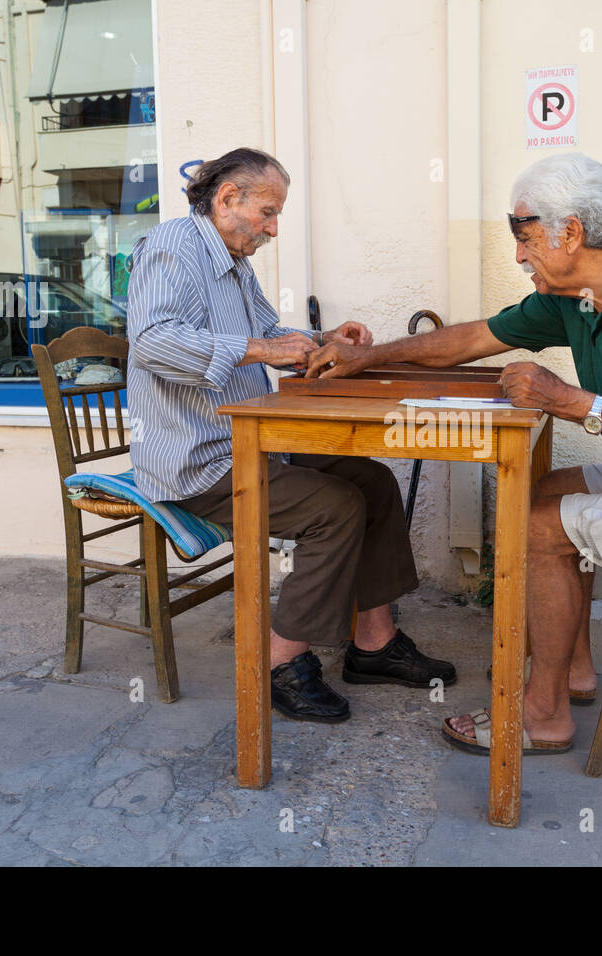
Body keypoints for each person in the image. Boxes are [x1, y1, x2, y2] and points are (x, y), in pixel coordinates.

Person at [305, 152, 602, 754]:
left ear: (571, 232)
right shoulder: (579, 291)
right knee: (542, 495)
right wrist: (369, 357)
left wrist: (571, 400)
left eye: (525, 234)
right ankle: (573, 671)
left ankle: (542, 714)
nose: (517, 253)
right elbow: (475, 337)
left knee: (537, 531)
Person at [127, 146, 455, 724]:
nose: (274, 228)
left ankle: (373, 644)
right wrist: (260, 349)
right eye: (268, 213)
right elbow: (153, 341)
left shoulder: (232, 262)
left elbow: (267, 333)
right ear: (228, 199)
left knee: (373, 480)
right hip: (196, 460)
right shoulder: (172, 247)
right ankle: (280, 664)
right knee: (335, 507)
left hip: (249, 444)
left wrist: (322, 337)